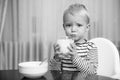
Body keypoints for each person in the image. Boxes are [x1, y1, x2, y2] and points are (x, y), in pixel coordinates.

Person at [49, 3, 98, 79]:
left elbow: (92, 71)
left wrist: (75, 57)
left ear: (87, 27)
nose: (73, 30)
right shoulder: (63, 47)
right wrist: (57, 58)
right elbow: (53, 71)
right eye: (68, 25)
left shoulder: (91, 47)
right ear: (64, 27)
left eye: (79, 25)